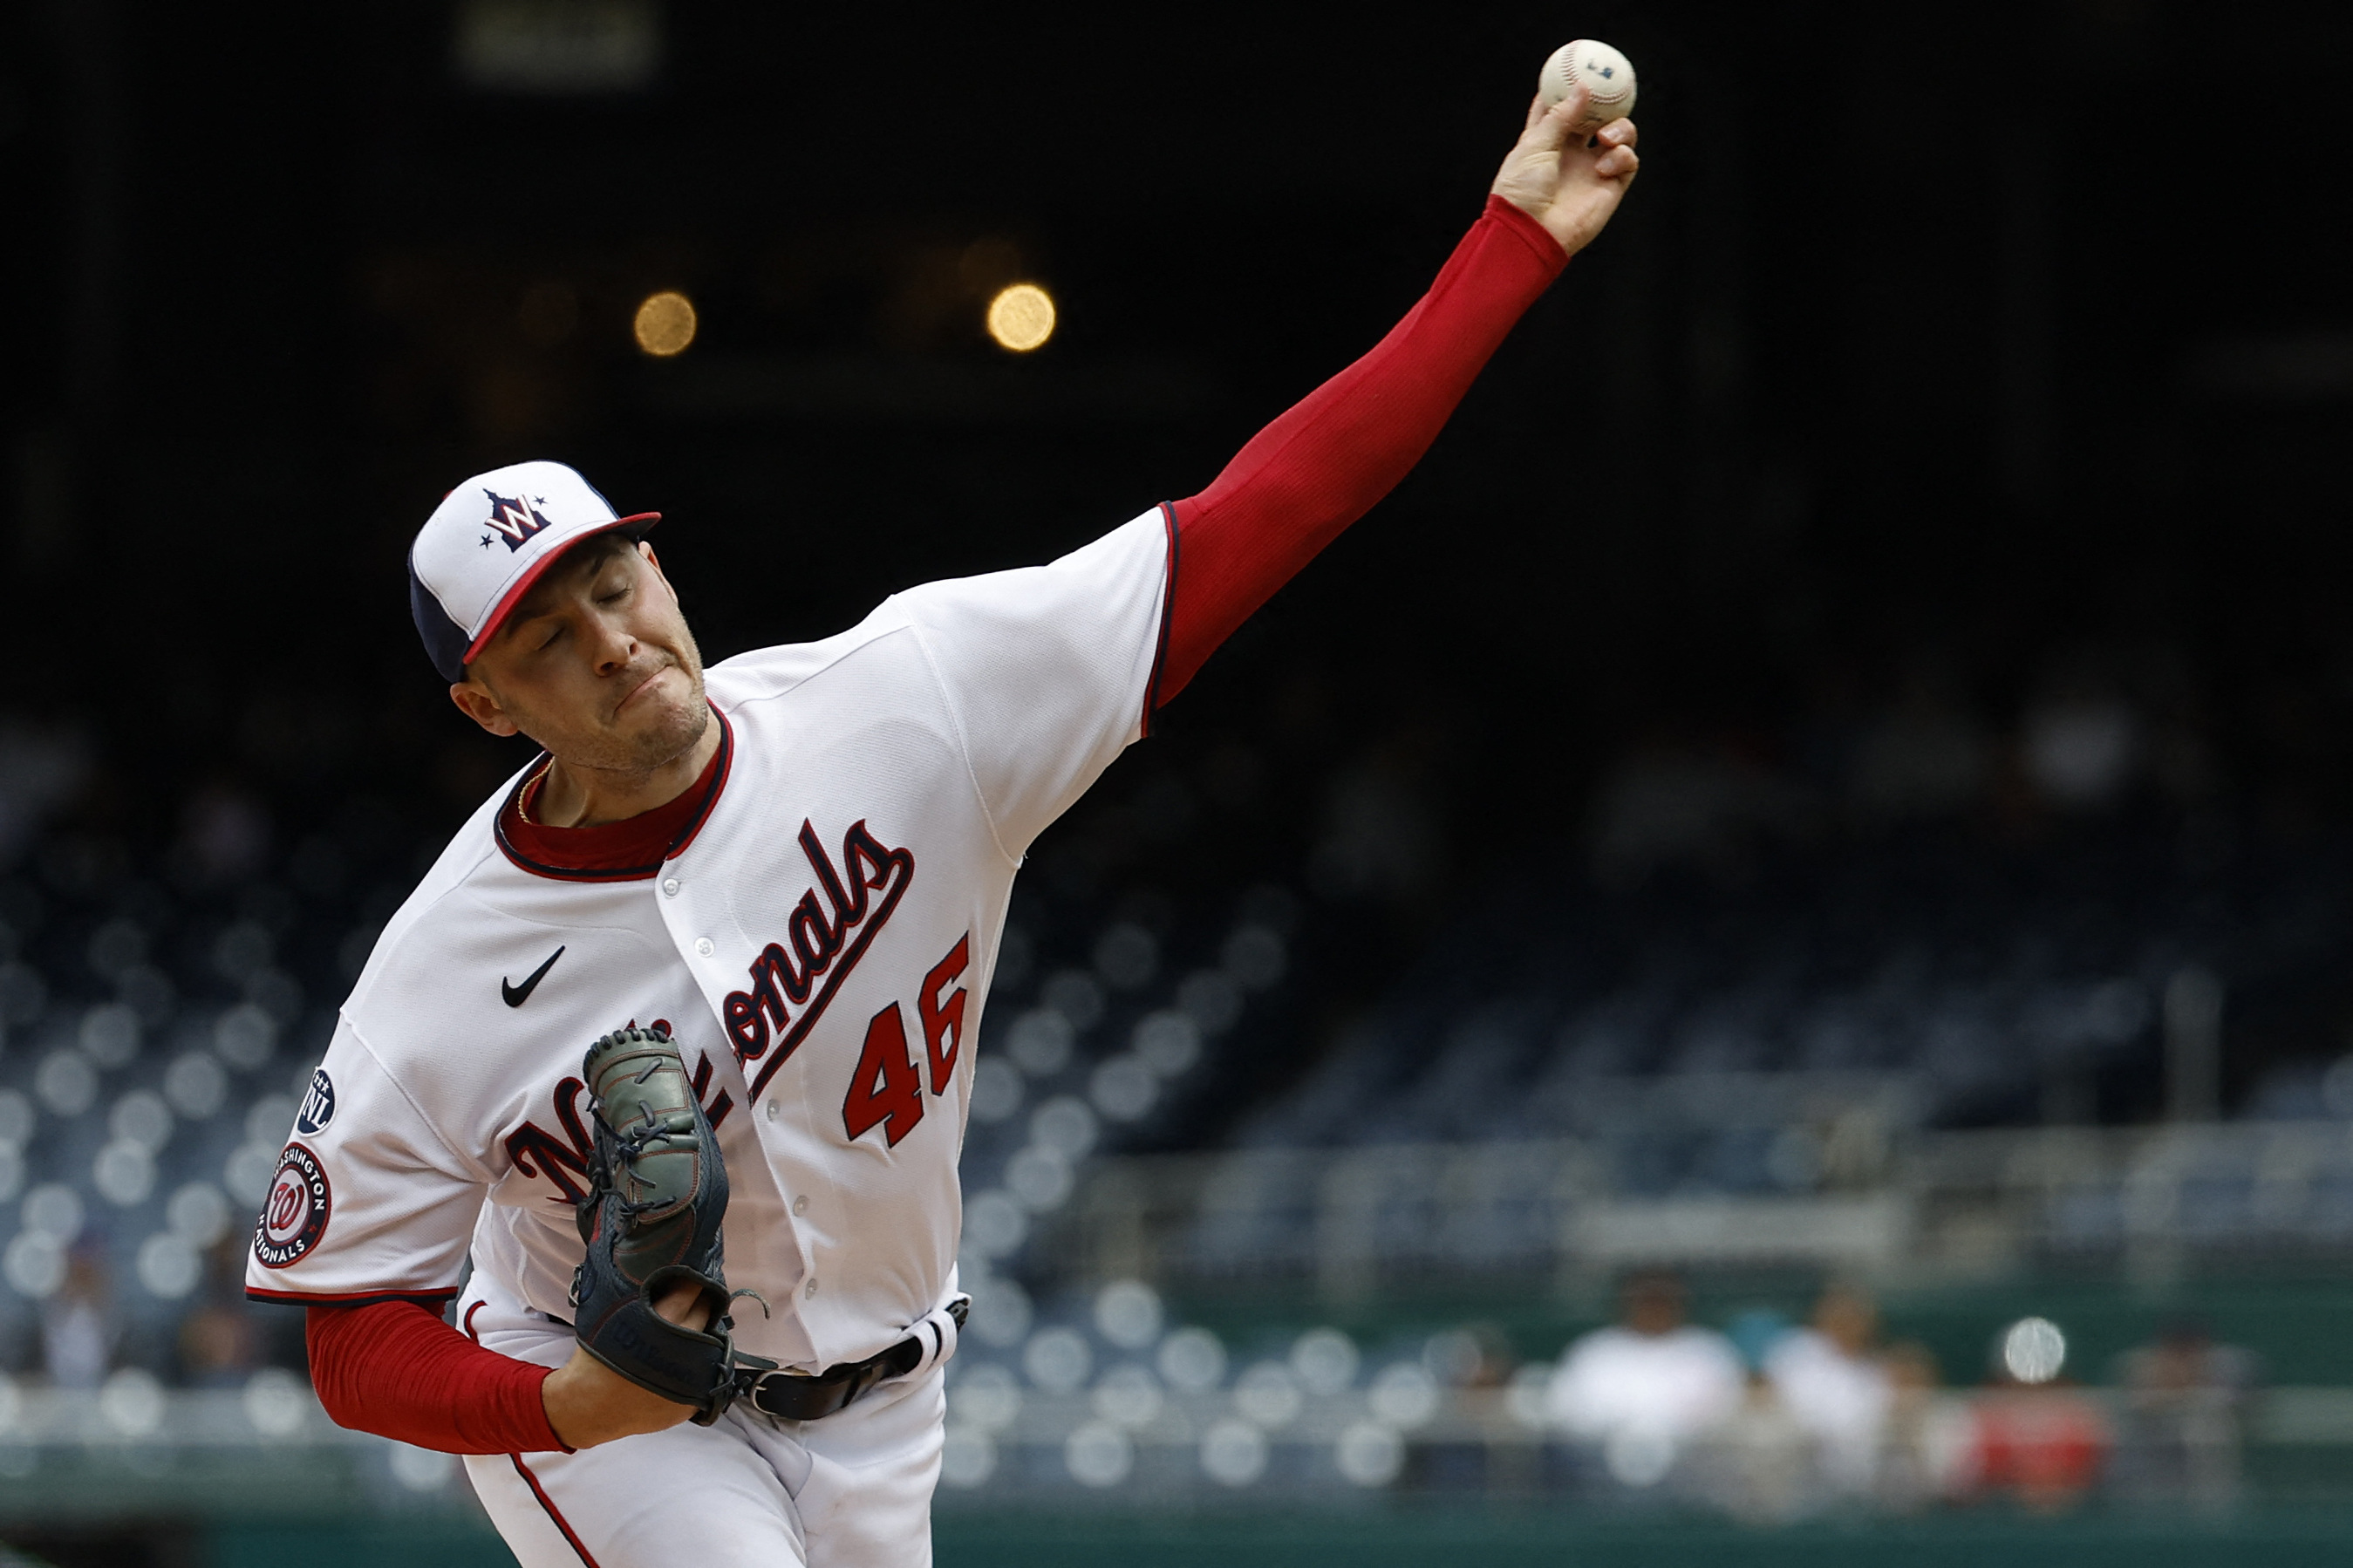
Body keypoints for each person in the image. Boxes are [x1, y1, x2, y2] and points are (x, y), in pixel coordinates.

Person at [242, 78, 1640, 1568]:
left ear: (657, 570)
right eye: (544, 636)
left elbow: (1270, 505)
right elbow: (348, 1329)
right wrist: (565, 1400)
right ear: (488, 707)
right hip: (624, 1422)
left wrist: (1512, 243)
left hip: (886, 1401)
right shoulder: (444, 967)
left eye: (612, 582)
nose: (609, 638)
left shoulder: (912, 702)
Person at [1546, 1270, 1743, 1492]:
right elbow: (1570, 1417)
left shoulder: (1708, 1351)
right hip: (1600, 1476)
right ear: (1626, 1302)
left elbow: (1726, 1418)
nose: (1654, 1308)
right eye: (1646, 1300)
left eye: (1662, 1299)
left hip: (1692, 1476)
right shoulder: (1593, 1352)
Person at [1764, 1283, 1894, 1497]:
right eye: (1840, 1316)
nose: (1848, 1324)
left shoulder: (1877, 1372)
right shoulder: (1794, 1352)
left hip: (1855, 1477)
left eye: (1855, 1318)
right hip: (1792, 1467)